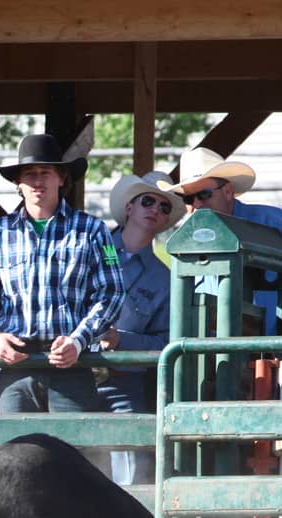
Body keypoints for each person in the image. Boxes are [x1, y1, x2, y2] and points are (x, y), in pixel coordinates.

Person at [0, 132, 125, 420]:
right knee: (13, 459)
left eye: (45, 172)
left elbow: (112, 293)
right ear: (18, 183)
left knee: (76, 458)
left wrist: (78, 340)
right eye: (29, 173)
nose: (38, 181)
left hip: (72, 363)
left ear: (61, 178)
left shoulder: (92, 230)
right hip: (16, 366)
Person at [166, 146, 282, 334]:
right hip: (211, 356)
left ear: (228, 191)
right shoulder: (186, 243)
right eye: (188, 198)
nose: (196, 204)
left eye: (204, 194)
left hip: (275, 351)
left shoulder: (272, 223)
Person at [96, 170, 185, 483]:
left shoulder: (165, 279)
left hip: (124, 383)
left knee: (132, 472)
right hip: (72, 373)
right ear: (129, 207)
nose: (155, 210)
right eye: (148, 201)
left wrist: (122, 340)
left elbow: (166, 342)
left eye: (164, 207)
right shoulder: (86, 251)